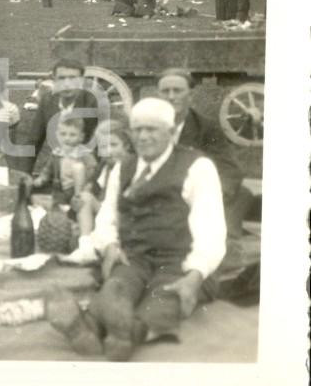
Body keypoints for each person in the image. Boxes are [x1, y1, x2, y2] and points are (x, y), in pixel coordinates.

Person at [45, 98, 225, 361]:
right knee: (117, 287)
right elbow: (107, 216)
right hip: (134, 256)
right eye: (137, 129)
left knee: (165, 297)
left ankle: (123, 333)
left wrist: (196, 275)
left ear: (171, 132)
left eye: (151, 129)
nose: (143, 136)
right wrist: (109, 246)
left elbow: (210, 226)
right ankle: (89, 328)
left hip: (178, 261)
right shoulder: (124, 167)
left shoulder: (197, 167)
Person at [155, 68, 245, 269]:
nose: (171, 96)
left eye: (177, 91)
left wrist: (209, 198)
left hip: (195, 195)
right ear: (158, 94)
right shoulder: (147, 124)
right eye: (165, 91)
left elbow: (230, 168)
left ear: (191, 94)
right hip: (158, 193)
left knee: (240, 193)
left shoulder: (206, 127)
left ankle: (226, 244)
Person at [67, 118, 134, 263]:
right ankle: (85, 246)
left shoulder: (131, 166)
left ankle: (92, 241)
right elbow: (91, 189)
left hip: (122, 214)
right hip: (104, 212)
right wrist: (78, 200)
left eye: (114, 145)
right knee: (84, 198)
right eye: (103, 147)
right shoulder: (105, 166)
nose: (108, 151)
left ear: (126, 145)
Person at [14, 58, 97, 174]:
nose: (67, 84)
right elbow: (33, 141)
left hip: (84, 168)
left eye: (73, 78)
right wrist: (22, 177)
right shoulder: (48, 100)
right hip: (56, 168)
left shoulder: (92, 102)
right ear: (54, 80)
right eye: (61, 78)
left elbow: (100, 144)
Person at [32, 117, 97, 211]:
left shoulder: (84, 154)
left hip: (76, 189)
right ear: (57, 135)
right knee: (35, 198)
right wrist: (42, 178)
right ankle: (59, 208)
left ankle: (70, 209)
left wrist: (87, 186)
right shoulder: (57, 153)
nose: (67, 138)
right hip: (59, 190)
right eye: (63, 134)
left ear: (81, 137)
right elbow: (48, 169)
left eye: (72, 135)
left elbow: (92, 173)